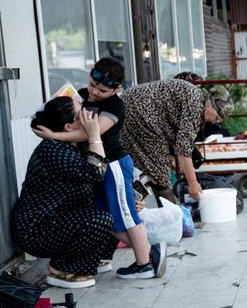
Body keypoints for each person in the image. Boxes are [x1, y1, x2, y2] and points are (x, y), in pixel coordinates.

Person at [32, 58, 166, 280]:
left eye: (102, 90)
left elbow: (90, 133)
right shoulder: (80, 95)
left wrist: (54, 135)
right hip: (93, 166)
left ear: (116, 89)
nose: (94, 92)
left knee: (126, 214)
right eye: (92, 85)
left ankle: (144, 264)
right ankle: (150, 251)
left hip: (114, 165)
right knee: (103, 214)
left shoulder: (115, 106)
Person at [11, 98, 116, 289]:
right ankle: (60, 270)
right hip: (37, 230)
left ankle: (89, 260)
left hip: (60, 221)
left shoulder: (72, 145)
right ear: (69, 127)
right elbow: (97, 173)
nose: (90, 115)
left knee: (112, 210)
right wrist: (94, 135)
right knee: (100, 219)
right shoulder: (53, 150)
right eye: (82, 113)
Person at [121, 78, 233, 204]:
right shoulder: (196, 107)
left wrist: (179, 162)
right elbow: (183, 149)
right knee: (161, 175)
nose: (215, 122)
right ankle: (172, 214)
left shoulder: (197, 97)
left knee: (154, 171)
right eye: (217, 117)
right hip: (139, 113)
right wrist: (193, 183)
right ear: (210, 106)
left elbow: (180, 139)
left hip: (132, 106)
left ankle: (129, 202)